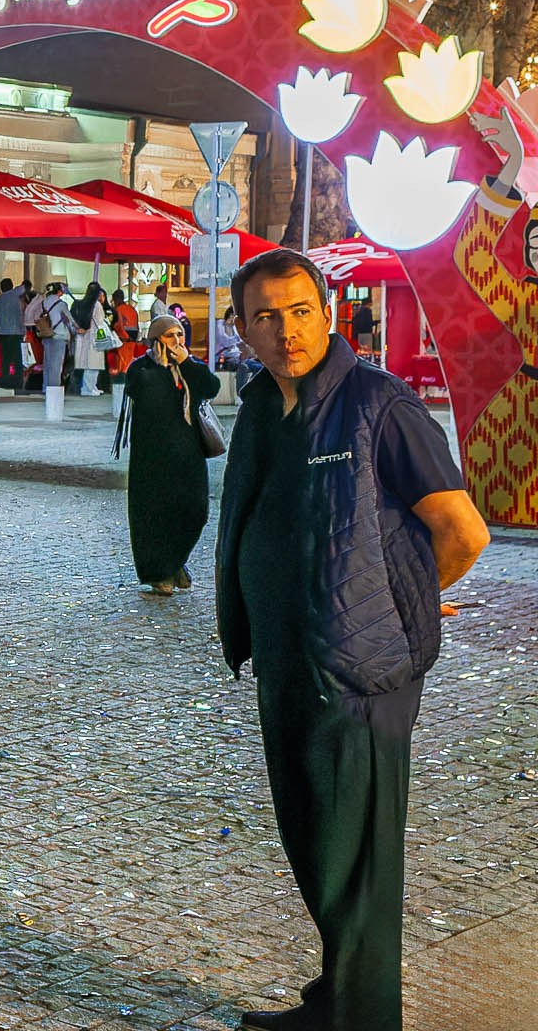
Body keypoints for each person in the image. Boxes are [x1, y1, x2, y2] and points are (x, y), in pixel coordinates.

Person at [217, 247, 490, 1031]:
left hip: (361, 671)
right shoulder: (264, 409)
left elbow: (461, 531)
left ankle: (363, 1018)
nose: (286, 330)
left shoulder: (380, 404)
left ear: (328, 312)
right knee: (314, 840)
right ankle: (335, 1001)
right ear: (242, 327)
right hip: (286, 658)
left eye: (300, 310)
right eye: (266, 316)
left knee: (360, 859)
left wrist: (394, 607)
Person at [119, 316, 220, 596]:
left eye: (179, 334)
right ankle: (159, 573)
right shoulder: (141, 368)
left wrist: (185, 363)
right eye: (169, 335)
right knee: (153, 516)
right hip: (152, 456)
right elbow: (143, 392)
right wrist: (164, 367)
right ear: (155, 339)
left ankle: (176, 561)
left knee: (196, 511)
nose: (177, 340)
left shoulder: (190, 366)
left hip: (188, 454)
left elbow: (211, 387)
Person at [70, 280, 108, 396]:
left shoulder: (80, 304)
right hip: (94, 336)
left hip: (82, 336)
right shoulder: (96, 305)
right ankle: (88, 388)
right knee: (93, 364)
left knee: (87, 363)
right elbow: (99, 322)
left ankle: (91, 387)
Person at [107, 288, 143, 381]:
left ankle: (119, 384)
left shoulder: (117, 310)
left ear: (115, 299)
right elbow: (137, 326)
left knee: (121, 364)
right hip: (132, 340)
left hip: (122, 341)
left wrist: (125, 337)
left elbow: (118, 326)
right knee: (129, 363)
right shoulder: (132, 309)